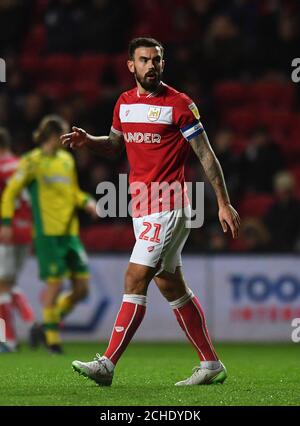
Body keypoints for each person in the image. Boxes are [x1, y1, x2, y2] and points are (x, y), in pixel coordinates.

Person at [61, 38, 240, 385]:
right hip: (142, 207)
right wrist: (89, 142)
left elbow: (206, 155)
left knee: (134, 277)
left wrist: (222, 201)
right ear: (131, 65)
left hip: (170, 204)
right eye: (144, 60)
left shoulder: (180, 104)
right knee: (171, 285)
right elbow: (114, 146)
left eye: (157, 60)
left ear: (163, 64)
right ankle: (211, 364)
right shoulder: (124, 104)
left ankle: (107, 364)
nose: (151, 65)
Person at [1, 116, 97, 354]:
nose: (65, 140)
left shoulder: (66, 160)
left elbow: (73, 191)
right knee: (54, 284)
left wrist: (86, 201)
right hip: (47, 234)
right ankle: (52, 341)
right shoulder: (32, 162)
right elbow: (10, 192)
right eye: (62, 135)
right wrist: (5, 222)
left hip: (70, 232)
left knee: (82, 289)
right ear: (51, 136)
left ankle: (45, 326)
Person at [0, 127, 35, 353]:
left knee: (2, 286)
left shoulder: (2, 169)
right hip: (26, 230)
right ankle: (31, 322)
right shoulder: (23, 164)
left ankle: (8, 340)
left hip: (7, 230)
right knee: (9, 284)